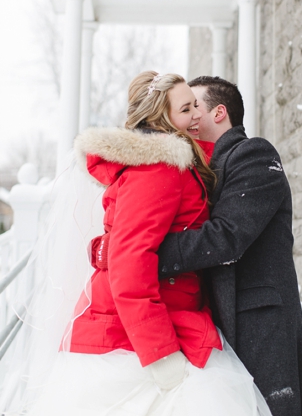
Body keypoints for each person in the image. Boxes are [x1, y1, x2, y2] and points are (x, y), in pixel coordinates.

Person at [1, 72, 271, 415]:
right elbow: (130, 262)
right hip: (136, 339)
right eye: (186, 109)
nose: (195, 116)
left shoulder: (176, 163)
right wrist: (160, 356)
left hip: (165, 318)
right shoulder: (160, 169)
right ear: (163, 118)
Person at [93, 76, 302, 415]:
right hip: (209, 320)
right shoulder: (188, 166)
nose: (191, 115)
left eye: (196, 106)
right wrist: (122, 247)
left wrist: (132, 254)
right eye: (184, 108)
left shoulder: (253, 155)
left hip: (253, 322)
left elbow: (226, 237)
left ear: (219, 112)